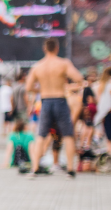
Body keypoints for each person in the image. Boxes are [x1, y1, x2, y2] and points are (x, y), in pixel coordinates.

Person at [24, 38, 83, 179]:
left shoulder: (38, 66)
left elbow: (28, 87)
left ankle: (35, 168)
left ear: (45, 49)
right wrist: (65, 86)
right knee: (68, 135)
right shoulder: (63, 63)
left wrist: (41, 89)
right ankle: (70, 169)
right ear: (57, 48)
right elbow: (79, 78)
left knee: (41, 135)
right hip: (60, 100)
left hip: (45, 101)